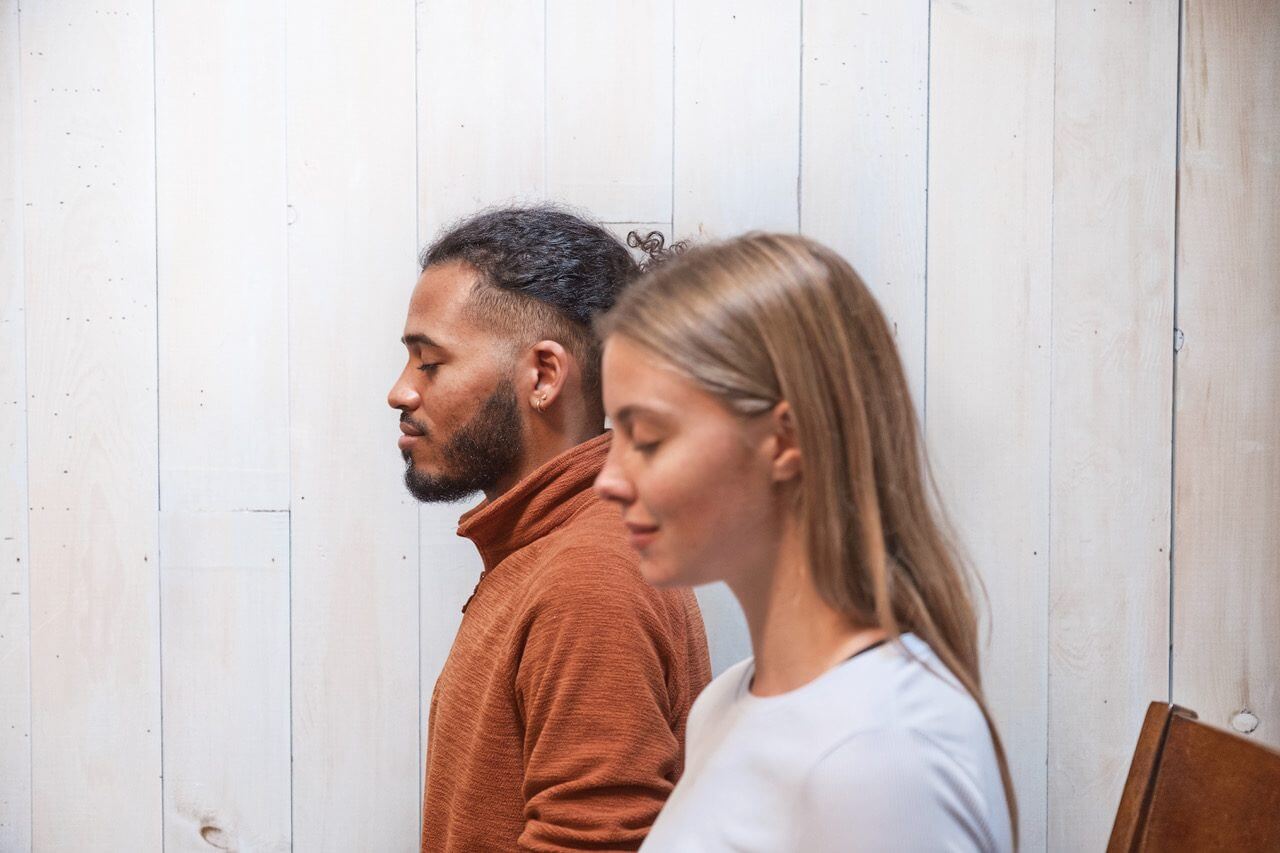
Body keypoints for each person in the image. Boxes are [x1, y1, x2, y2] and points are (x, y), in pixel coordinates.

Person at [593, 232, 1017, 852]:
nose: (608, 479)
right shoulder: (724, 705)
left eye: (648, 438)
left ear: (786, 441)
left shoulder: (879, 754)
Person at [388, 206, 712, 852]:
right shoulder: (545, 550)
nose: (401, 391)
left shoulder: (588, 576)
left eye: (430, 364)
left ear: (542, 375)